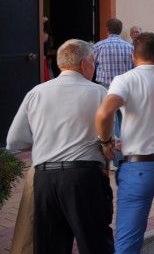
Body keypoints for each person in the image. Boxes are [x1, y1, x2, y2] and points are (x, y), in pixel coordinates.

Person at [6, 39, 114, 254]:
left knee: (50, 247)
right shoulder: (99, 92)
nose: (95, 67)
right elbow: (108, 136)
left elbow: (14, 141)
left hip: (45, 179)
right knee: (95, 243)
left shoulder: (36, 92)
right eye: (94, 62)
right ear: (84, 64)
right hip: (84, 178)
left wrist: (47, 140)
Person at [95, 32, 154, 253]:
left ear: (134, 56)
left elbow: (103, 113)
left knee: (129, 237)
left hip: (137, 167)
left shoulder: (125, 80)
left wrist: (106, 141)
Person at [94, 18, 135, 167]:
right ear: (121, 29)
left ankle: (116, 159)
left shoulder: (99, 46)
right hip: (124, 87)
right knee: (123, 121)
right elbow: (133, 68)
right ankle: (126, 155)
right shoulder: (129, 47)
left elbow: (92, 65)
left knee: (111, 122)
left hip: (106, 87)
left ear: (107, 30)